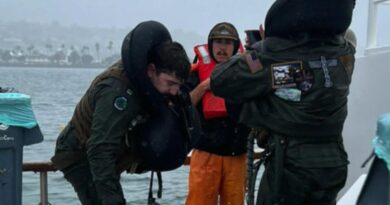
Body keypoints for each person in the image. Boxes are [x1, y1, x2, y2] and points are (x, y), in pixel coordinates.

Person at [209, 1, 356, 204]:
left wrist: (257, 49)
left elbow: (221, 79)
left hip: (291, 166)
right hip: (333, 163)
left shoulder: (273, 55)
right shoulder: (345, 53)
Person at [51, 21, 194, 205]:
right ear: (151, 70)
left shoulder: (148, 82)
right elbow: (100, 149)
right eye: (170, 83)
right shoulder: (118, 93)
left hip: (110, 152)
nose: (174, 91)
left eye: (178, 85)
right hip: (80, 153)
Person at [185, 22, 249, 205]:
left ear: (235, 46)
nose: (222, 47)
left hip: (237, 154)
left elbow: (266, 73)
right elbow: (185, 104)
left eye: (228, 42)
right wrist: (205, 86)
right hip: (205, 153)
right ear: (210, 45)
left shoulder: (247, 68)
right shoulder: (197, 73)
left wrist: (260, 46)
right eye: (218, 42)